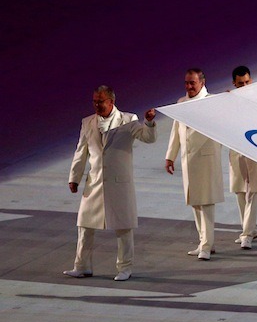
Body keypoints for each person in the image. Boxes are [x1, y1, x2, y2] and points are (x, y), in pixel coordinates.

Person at [64, 85, 157, 281]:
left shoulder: (127, 120)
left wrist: (149, 123)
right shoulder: (88, 122)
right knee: (85, 226)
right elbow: (81, 152)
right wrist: (74, 177)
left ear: (111, 102)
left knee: (123, 228)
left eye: (101, 101)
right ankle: (82, 266)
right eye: (95, 101)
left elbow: (148, 138)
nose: (97, 105)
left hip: (119, 184)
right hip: (95, 183)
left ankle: (125, 268)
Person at [165, 68, 224, 260]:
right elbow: (176, 132)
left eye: (193, 83)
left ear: (202, 82)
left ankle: (207, 245)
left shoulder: (213, 103)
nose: (189, 86)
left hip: (206, 159)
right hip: (188, 161)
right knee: (195, 203)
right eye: (187, 83)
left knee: (206, 203)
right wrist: (170, 156)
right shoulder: (181, 103)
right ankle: (203, 242)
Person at [229, 66, 257, 249]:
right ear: (234, 83)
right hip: (236, 150)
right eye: (240, 83)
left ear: (251, 80)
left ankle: (246, 233)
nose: (244, 85)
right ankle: (250, 229)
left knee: (253, 192)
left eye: (247, 82)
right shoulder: (229, 100)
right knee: (240, 191)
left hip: (256, 150)